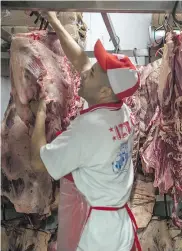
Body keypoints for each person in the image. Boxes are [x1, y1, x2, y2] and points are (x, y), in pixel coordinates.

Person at [30, 11, 141, 251]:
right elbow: (81, 61)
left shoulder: (90, 128)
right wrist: (55, 22)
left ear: (103, 93)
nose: (84, 73)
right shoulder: (121, 111)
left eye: (91, 74)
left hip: (97, 235)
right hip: (119, 224)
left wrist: (40, 113)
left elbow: (39, 162)